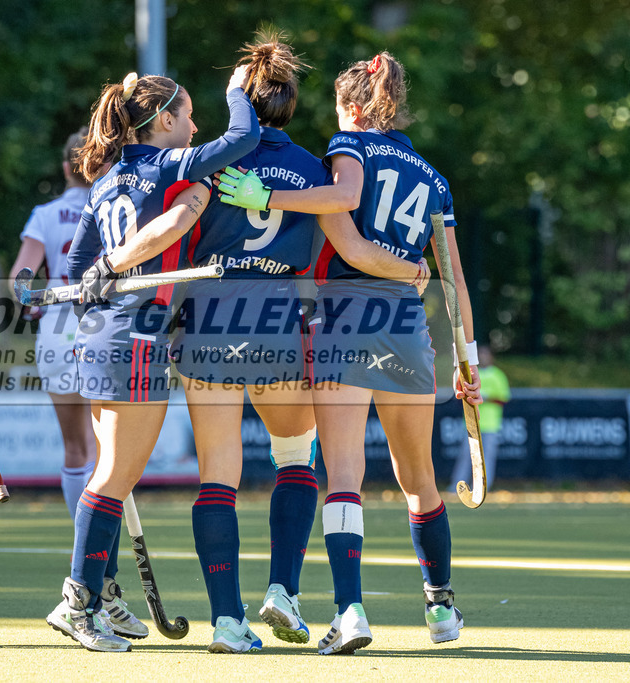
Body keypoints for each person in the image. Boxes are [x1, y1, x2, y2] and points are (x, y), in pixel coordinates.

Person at [87, 33, 428, 654]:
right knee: (297, 459)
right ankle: (284, 590)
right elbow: (337, 249)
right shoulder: (313, 170)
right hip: (276, 323)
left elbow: (172, 236)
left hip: (209, 322)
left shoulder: (211, 162)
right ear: (292, 106)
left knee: (218, 476)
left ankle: (226, 621)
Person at [218, 51, 480, 654]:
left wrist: (270, 197)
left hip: (346, 317)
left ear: (355, 107)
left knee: (343, 475)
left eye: (338, 109)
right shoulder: (432, 175)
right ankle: (440, 609)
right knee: (420, 479)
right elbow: (456, 282)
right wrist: (466, 357)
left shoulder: (349, 146)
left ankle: (350, 611)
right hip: (408, 326)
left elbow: (349, 241)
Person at [49, 65, 261, 653]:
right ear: (163, 120)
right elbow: (241, 139)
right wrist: (235, 92)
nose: (195, 127)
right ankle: (78, 603)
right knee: (114, 479)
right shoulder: (165, 164)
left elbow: (75, 273)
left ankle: (103, 595)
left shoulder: (105, 181)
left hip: (96, 339)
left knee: (107, 477)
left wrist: (114, 272)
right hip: (136, 341)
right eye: (188, 115)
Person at [8, 128, 97, 521]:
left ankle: (82, 540)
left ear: (66, 168)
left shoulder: (44, 215)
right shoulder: (113, 208)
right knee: (105, 450)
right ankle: (100, 545)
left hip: (56, 335)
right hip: (101, 329)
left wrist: (32, 301)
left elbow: (19, 282)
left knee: (75, 447)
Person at [452, 345, 508, 491]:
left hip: (490, 424)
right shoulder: (470, 373)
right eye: (480, 354)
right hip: (472, 423)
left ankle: (483, 488)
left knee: (487, 458)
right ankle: (458, 487)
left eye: (485, 354)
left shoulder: (498, 375)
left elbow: (504, 398)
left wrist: (485, 398)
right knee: (465, 457)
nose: (483, 357)